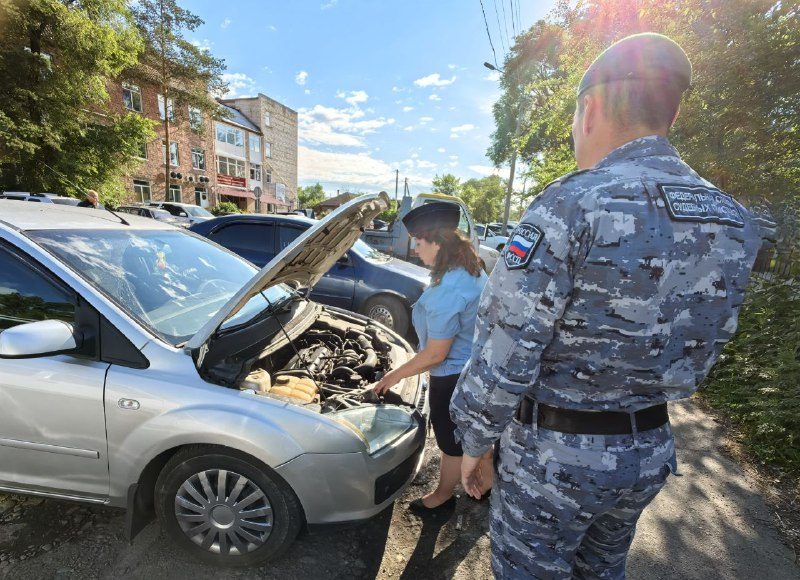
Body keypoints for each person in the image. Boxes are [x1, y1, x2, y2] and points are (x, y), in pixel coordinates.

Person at [451, 33, 772, 578]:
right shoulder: (734, 221)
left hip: (552, 458)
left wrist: (475, 441)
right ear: (672, 111)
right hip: (647, 450)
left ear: (590, 108)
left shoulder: (573, 202)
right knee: (602, 571)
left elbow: (507, 345)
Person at [373, 201, 493, 514]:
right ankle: (486, 485)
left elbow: (436, 354)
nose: (414, 250)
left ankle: (442, 497)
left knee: (451, 443)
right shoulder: (469, 267)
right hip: (475, 368)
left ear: (436, 242)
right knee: (474, 433)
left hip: (452, 377)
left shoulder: (449, 289)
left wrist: (393, 376)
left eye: (418, 241)